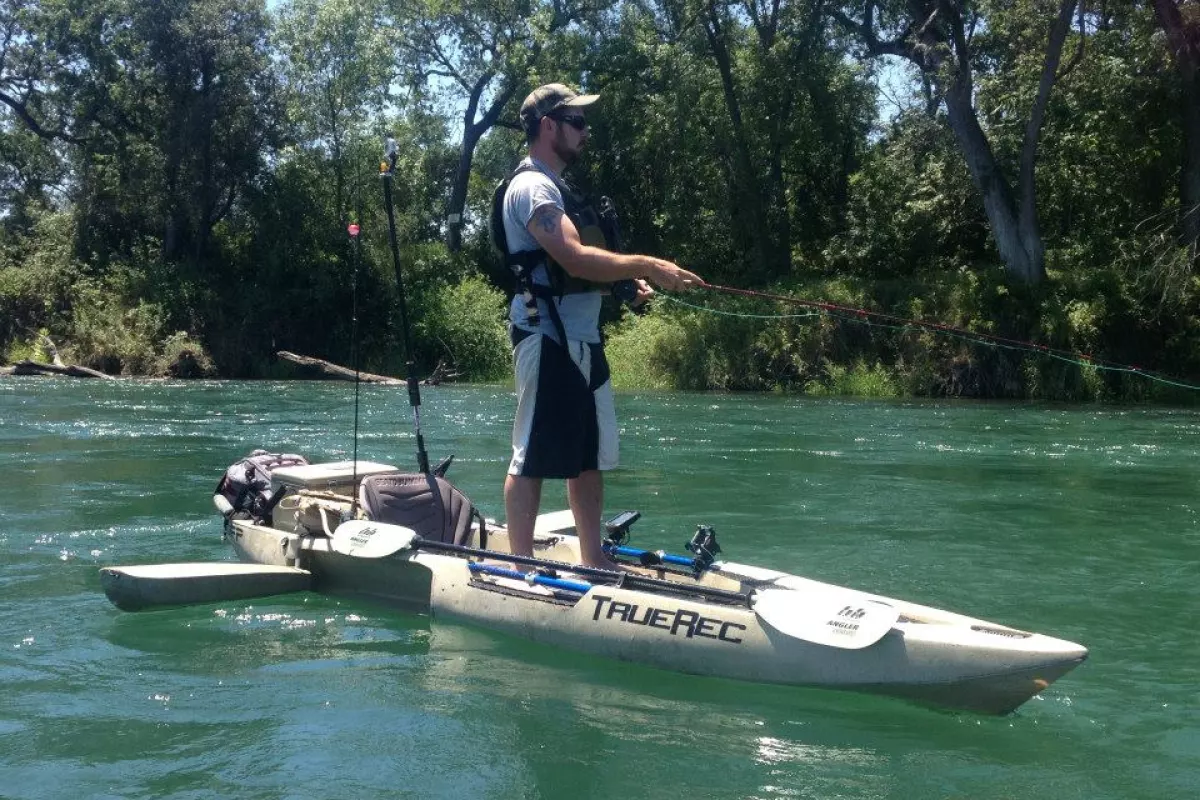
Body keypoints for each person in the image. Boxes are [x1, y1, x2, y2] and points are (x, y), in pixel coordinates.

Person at [501, 82, 703, 568]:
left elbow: (580, 269)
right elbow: (573, 255)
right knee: (531, 455)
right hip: (545, 336)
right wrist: (651, 265)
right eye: (577, 121)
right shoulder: (532, 188)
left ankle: (593, 559)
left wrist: (625, 286)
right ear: (548, 126)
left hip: (585, 341)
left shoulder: (562, 190)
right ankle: (521, 566)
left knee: (588, 458)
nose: (585, 131)